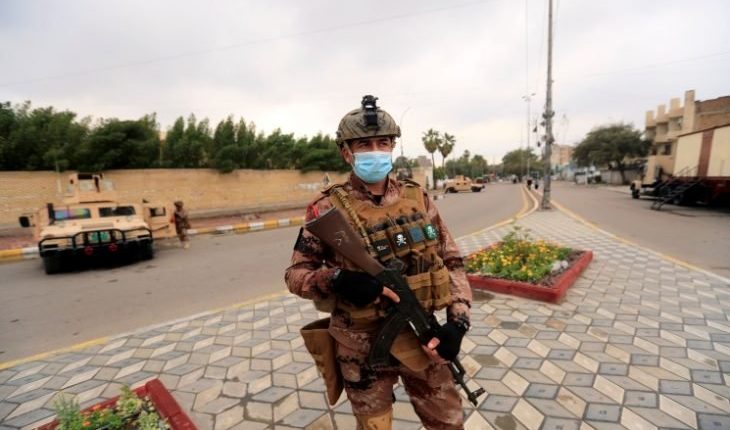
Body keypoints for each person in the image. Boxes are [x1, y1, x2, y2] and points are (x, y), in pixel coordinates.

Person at [285, 95, 472, 430]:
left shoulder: (417, 198)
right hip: (360, 348)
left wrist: (457, 323)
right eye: (364, 145)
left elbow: (451, 259)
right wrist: (337, 280)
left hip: (423, 338)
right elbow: (296, 275)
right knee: (374, 426)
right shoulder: (326, 209)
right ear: (346, 153)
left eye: (383, 143)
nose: (375, 150)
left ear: (392, 147)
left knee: (449, 421)